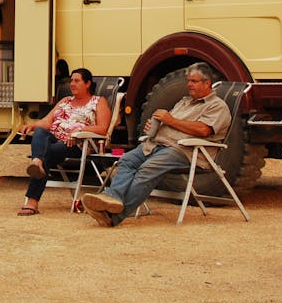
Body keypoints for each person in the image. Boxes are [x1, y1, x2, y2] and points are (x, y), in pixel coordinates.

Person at [81, 62, 229, 227]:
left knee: (147, 170)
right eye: (189, 81)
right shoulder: (184, 101)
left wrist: (170, 120)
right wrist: (156, 126)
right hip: (157, 144)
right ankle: (113, 197)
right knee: (127, 160)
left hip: (184, 149)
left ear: (207, 83)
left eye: (194, 81)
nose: (189, 84)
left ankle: (113, 215)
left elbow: (203, 130)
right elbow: (171, 123)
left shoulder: (217, 106)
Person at [14, 67, 112, 215]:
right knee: (40, 132)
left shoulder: (98, 102)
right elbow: (47, 121)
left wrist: (78, 132)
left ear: (87, 84)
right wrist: (32, 125)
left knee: (46, 153)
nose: (72, 84)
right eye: (71, 80)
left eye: (77, 81)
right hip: (54, 138)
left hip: (77, 143)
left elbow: (103, 128)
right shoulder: (65, 101)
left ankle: (32, 199)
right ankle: (37, 162)